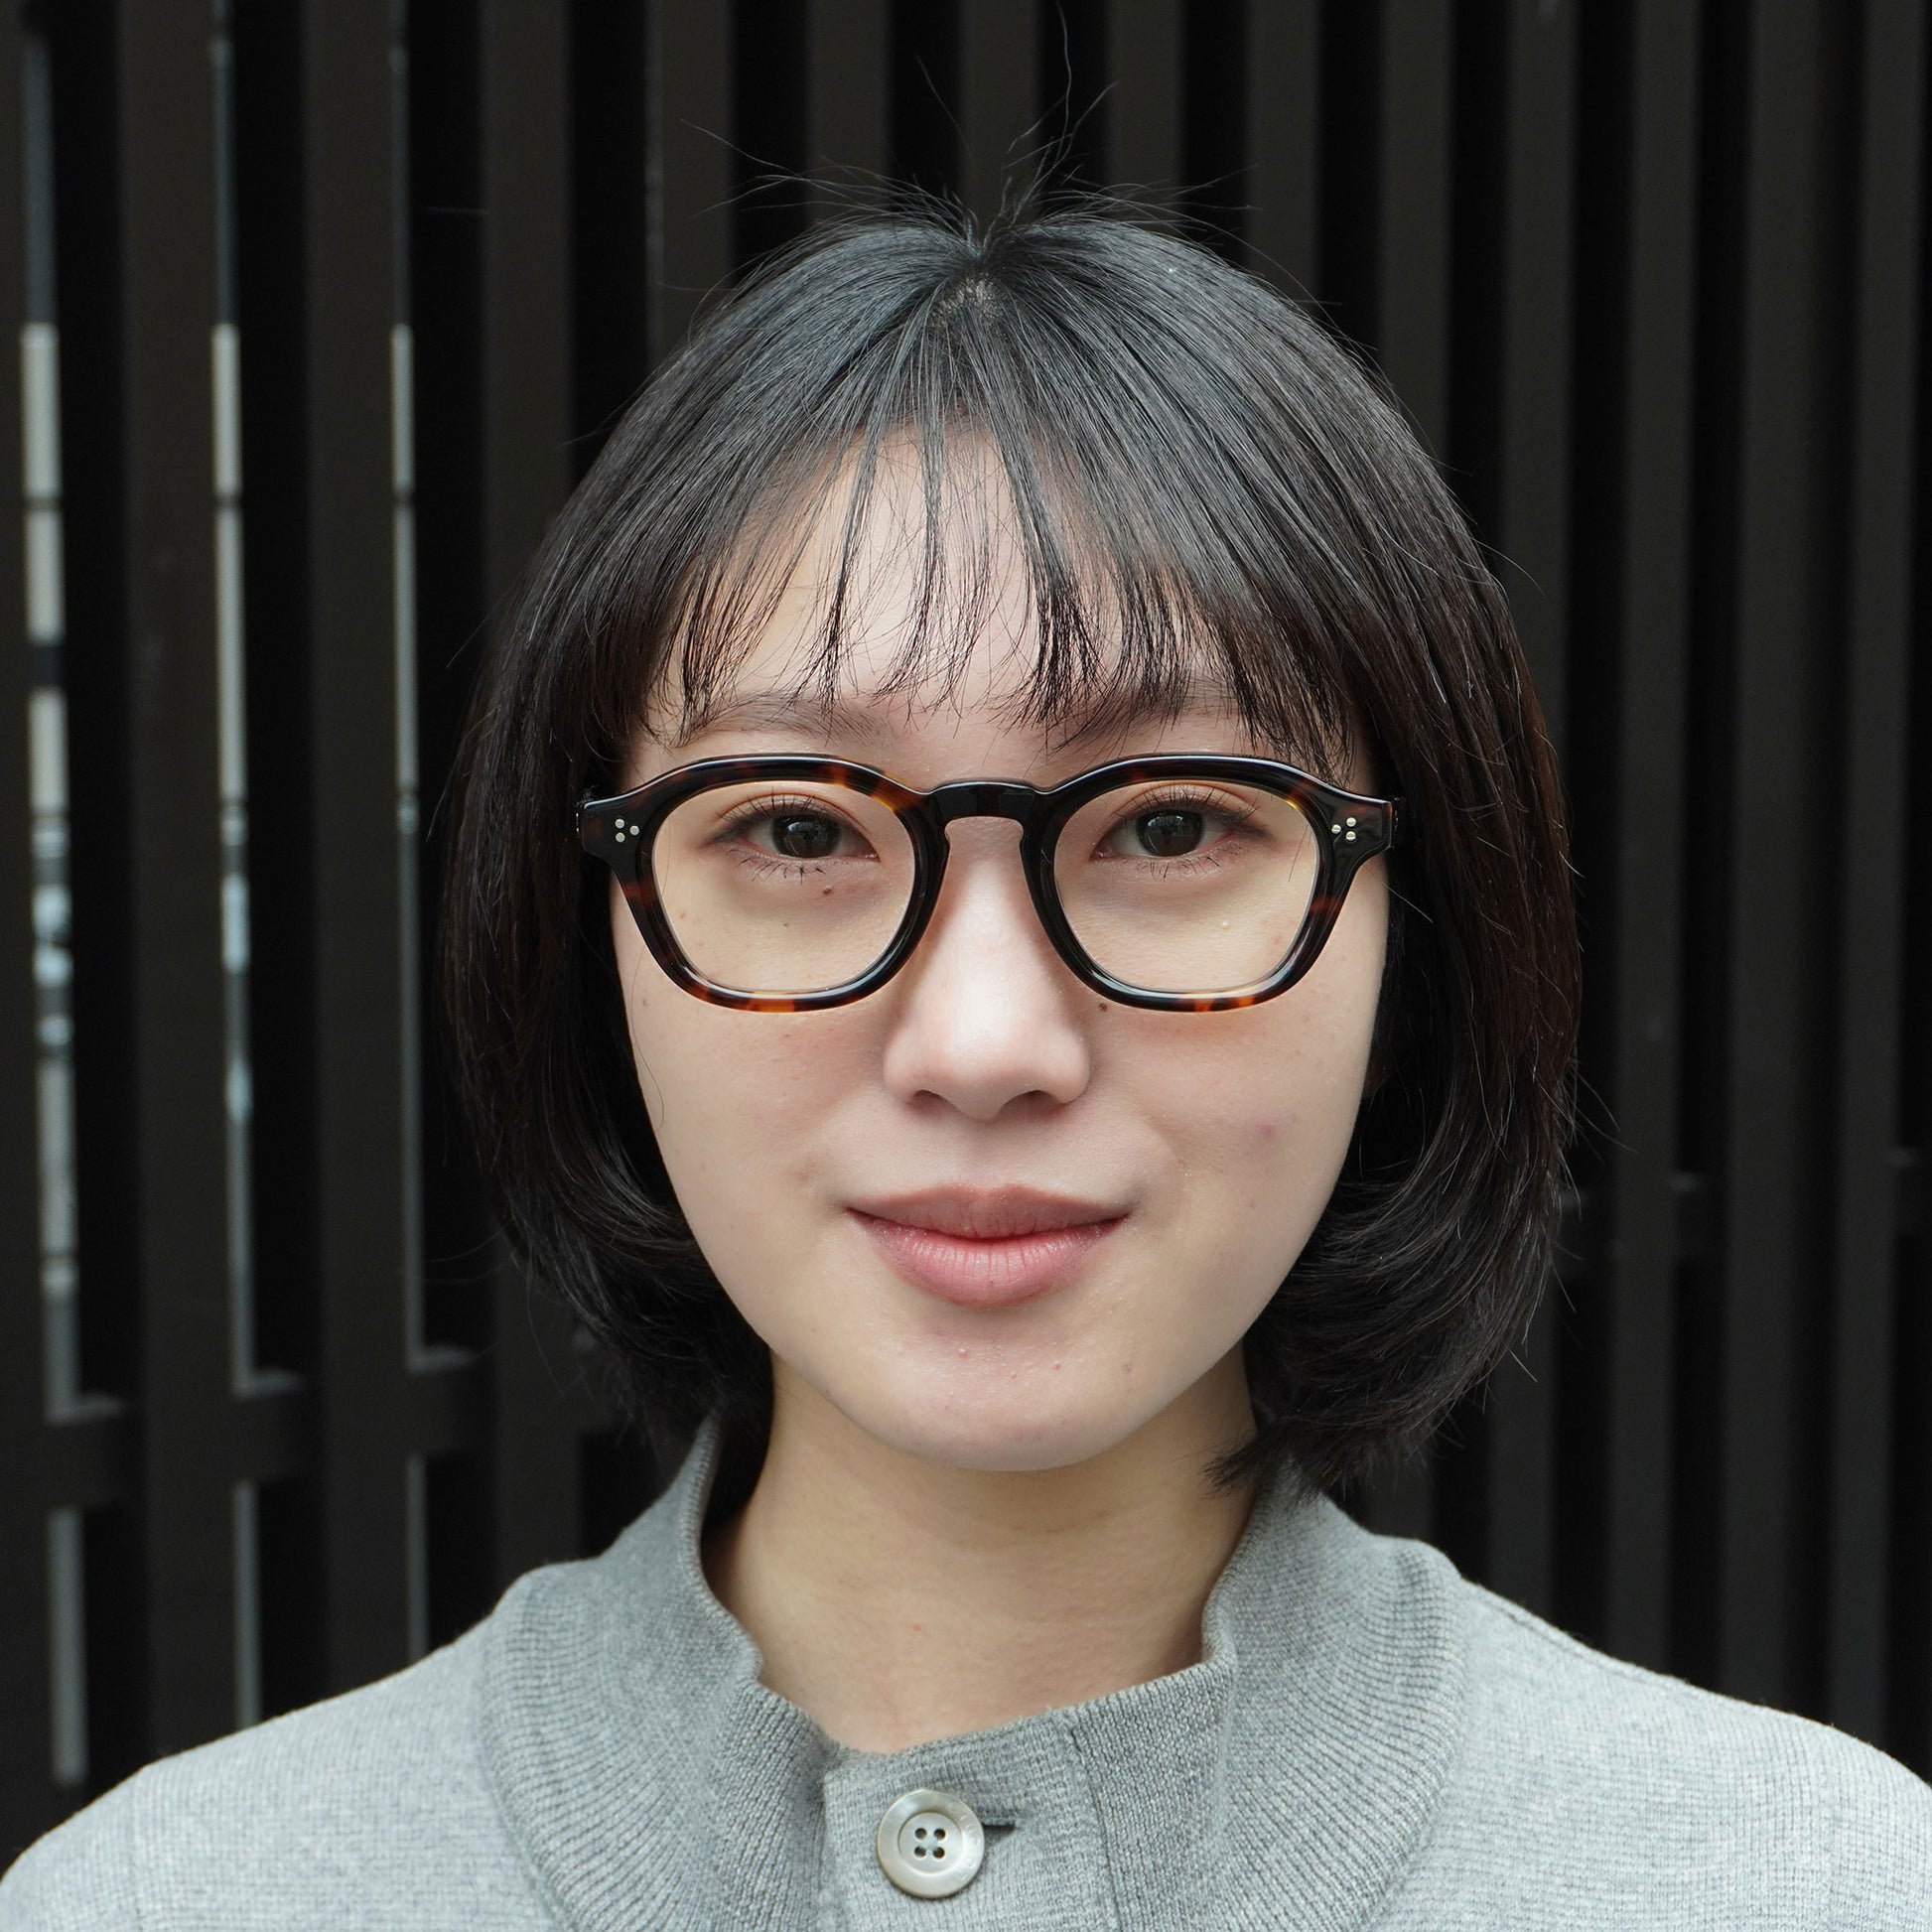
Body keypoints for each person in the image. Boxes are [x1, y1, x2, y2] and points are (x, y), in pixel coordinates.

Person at [4, 198, 1927, 1931]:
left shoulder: (1815, 1882)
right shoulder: (159, 1903)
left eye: (1171, 824)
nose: (985, 1042)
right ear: (590, 935)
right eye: (796, 829)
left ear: (1407, 932)